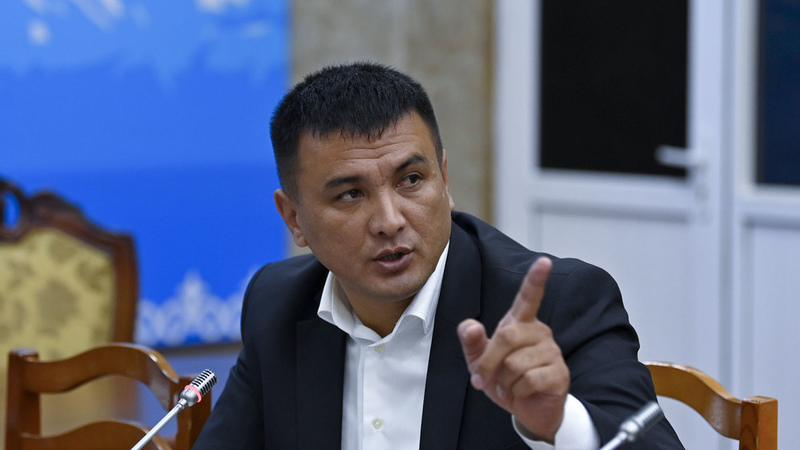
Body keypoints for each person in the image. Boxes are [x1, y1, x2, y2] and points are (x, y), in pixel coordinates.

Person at [193, 62, 683, 449]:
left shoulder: (558, 302)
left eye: (411, 180)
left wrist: (559, 424)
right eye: (350, 195)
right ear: (294, 218)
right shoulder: (277, 303)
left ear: (444, 181)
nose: (389, 221)